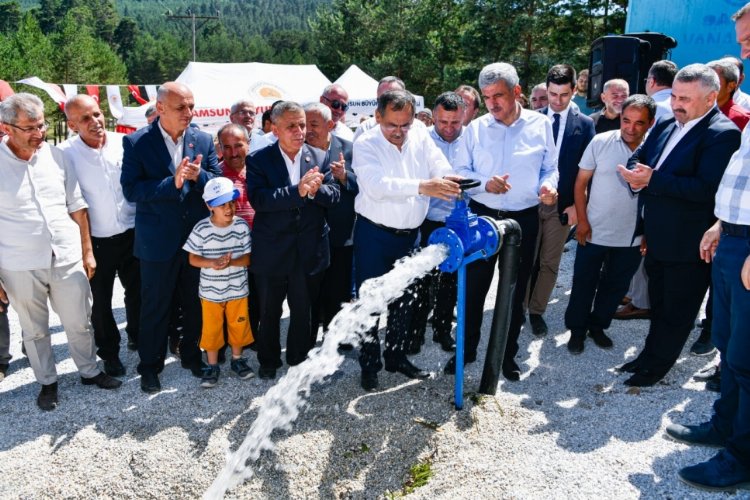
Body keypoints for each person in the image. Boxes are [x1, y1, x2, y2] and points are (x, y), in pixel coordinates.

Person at [664, 6, 750, 490]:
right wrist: (723, 222)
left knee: (748, 357)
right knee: (730, 348)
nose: (742, 50)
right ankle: (725, 427)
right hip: (733, 235)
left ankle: (742, 455)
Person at [617, 64, 741, 387]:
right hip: (657, 237)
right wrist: (634, 175)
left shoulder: (723, 134)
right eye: (673, 96)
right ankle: (647, 357)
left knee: (677, 311)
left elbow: (706, 189)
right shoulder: (666, 124)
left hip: (689, 244)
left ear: (711, 97)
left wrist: (653, 180)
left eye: (685, 98)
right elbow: (640, 157)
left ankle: (656, 368)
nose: (676, 104)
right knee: (658, 305)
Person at [0, 93, 122, 410]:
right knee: (34, 330)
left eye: (41, 125)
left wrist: (87, 251)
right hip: (19, 263)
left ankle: (89, 371)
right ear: (6, 128)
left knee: (80, 321)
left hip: (66, 256)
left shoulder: (57, 157)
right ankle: (47, 383)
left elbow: (77, 206)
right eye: (29, 128)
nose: (38, 133)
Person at [452, 62, 558, 381]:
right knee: (472, 290)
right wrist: (486, 183)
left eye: (498, 95)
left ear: (516, 92)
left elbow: (550, 168)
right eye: (486, 97)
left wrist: (550, 186)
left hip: (524, 219)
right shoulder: (476, 129)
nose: (492, 104)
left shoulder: (541, 125)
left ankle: (506, 355)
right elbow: (461, 172)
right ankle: (466, 351)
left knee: (514, 291)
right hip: (482, 217)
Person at [353, 89, 460, 391]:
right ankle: (369, 365)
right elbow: (377, 186)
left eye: (405, 125)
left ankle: (396, 356)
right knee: (370, 302)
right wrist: (423, 186)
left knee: (405, 301)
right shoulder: (365, 143)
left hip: (410, 235)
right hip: (374, 234)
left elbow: (439, 164)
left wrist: (450, 180)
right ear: (378, 117)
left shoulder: (421, 136)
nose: (399, 133)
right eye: (391, 125)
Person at [121, 81, 221, 394]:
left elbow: (218, 183)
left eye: (192, 106)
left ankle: (191, 356)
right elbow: (132, 189)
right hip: (157, 242)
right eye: (182, 107)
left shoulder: (202, 139)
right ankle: (150, 367)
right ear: (160, 108)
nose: (189, 113)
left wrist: (199, 176)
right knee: (155, 306)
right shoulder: (137, 143)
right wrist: (172, 182)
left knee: (195, 303)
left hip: (195, 240)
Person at [246, 101, 340, 379]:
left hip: (309, 250)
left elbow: (335, 196)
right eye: (292, 126)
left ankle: (299, 359)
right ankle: (268, 360)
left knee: (304, 310)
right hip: (272, 249)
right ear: (275, 129)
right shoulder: (259, 160)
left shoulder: (320, 157)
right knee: (269, 309)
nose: (300, 131)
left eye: (302, 124)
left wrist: (314, 192)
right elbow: (260, 200)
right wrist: (296, 191)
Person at [565, 95, 655, 354]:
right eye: (626, 120)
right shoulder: (601, 142)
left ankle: (598, 325)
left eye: (639, 123)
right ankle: (577, 331)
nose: (631, 127)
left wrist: (648, 233)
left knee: (615, 286)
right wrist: (582, 222)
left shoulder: (654, 149)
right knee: (584, 283)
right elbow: (581, 184)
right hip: (593, 231)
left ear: (649, 123)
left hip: (631, 237)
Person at [58, 95, 140, 376]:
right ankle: (110, 353)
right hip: (96, 241)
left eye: (97, 114)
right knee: (101, 303)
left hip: (133, 232)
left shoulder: (123, 143)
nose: (95, 122)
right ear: (71, 125)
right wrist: (82, 247)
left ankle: (137, 336)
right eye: (85, 118)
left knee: (138, 292)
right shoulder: (64, 154)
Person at [526, 64, 595, 338]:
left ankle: (536, 311)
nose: (557, 101)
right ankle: (518, 307)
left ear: (574, 91)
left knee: (549, 262)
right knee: (526, 259)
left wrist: (579, 207)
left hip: (563, 206)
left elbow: (588, 172)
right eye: (552, 94)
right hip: (531, 204)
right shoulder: (532, 119)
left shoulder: (586, 124)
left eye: (563, 95)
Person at [615, 61, 679, 323]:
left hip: (654, 194)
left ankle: (641, 301)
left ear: (651, 81)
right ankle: (635, 295)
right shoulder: (670, 114)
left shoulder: (661, 112)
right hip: (655, 190)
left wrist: (640, 178)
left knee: (643, 247)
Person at [410, 91, 467, 353]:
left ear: (464, 117)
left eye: (455, 123)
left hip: (456, 224)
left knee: (450, 282)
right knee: (421, 281)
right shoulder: (419, 140)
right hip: (427, 222)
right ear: (433, 117)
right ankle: (416, 332)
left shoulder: (471, 140)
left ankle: (443, 330)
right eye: (442, 122)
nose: (448, 128)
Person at [184, 177, 254, 388]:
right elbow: (192, 258)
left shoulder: (241, 226)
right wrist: (212, 263)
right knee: (212, 329)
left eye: (231, 202)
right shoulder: (201, 229)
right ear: (209, 206)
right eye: (222, 204)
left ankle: (237, 359)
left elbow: (248, 258)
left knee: (238, 325)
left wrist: (231, 261)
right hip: (211, 292)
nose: (229, 208)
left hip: (237, 290)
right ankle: (212, 365)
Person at [303, 103, 357, 339]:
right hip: (308, 233)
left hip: (340, 231)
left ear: (330, 125)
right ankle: (307, 337)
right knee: (310, 290)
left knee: (339, 288)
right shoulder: (298, 150)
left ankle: (335, 337)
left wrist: (344, 177)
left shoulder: (349, 149)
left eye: (313, 125)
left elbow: (362, 185)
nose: (307, 131)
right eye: (305, 125)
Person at [217, 123, 260, 344]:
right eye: (227, 147)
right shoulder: (215, 176)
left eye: (238, 145)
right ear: (220, 148)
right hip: (228, 249)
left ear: (248, 144)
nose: (233, 152)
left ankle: (250, 336)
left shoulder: (259, 170)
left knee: (255, 295)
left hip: (258, 246)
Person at [708, 58, 750, 130]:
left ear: (730, 86)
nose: (707, 87)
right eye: (704, 82)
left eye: (714, 82)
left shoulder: (744, 119)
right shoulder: (695, 112)